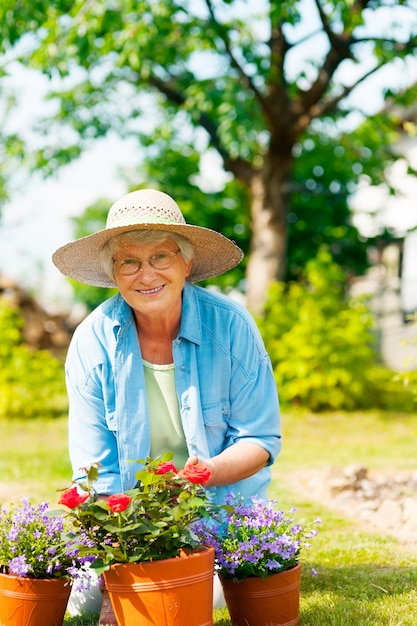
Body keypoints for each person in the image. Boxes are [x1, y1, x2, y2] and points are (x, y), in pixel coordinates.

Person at [53, 188, 281, 623]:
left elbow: (259, 438)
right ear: (114, 273)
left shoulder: (231, 326)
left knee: (199, 593)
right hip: (132, 527)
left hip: (218, 516)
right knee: (79, 600)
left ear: (186, 263)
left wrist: (202, 474)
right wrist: (118, 566)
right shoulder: (92, 341)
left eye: (161, 257)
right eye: (129, 262)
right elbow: (93, 471)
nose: (146, 274)